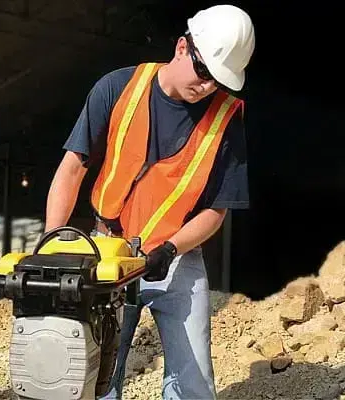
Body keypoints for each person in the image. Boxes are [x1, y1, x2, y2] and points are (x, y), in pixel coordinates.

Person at [44, 4, 255, 399]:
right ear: (181, 48)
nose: (208, 86)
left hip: (177, 259)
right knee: (98, 374)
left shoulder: (226, 119)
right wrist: (52, 246)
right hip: (107, 250)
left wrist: (170, 249)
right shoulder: (118, 88)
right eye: (205, 71)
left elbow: (216, 209)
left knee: (193, 382)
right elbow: (72, 169)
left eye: (219, 80)